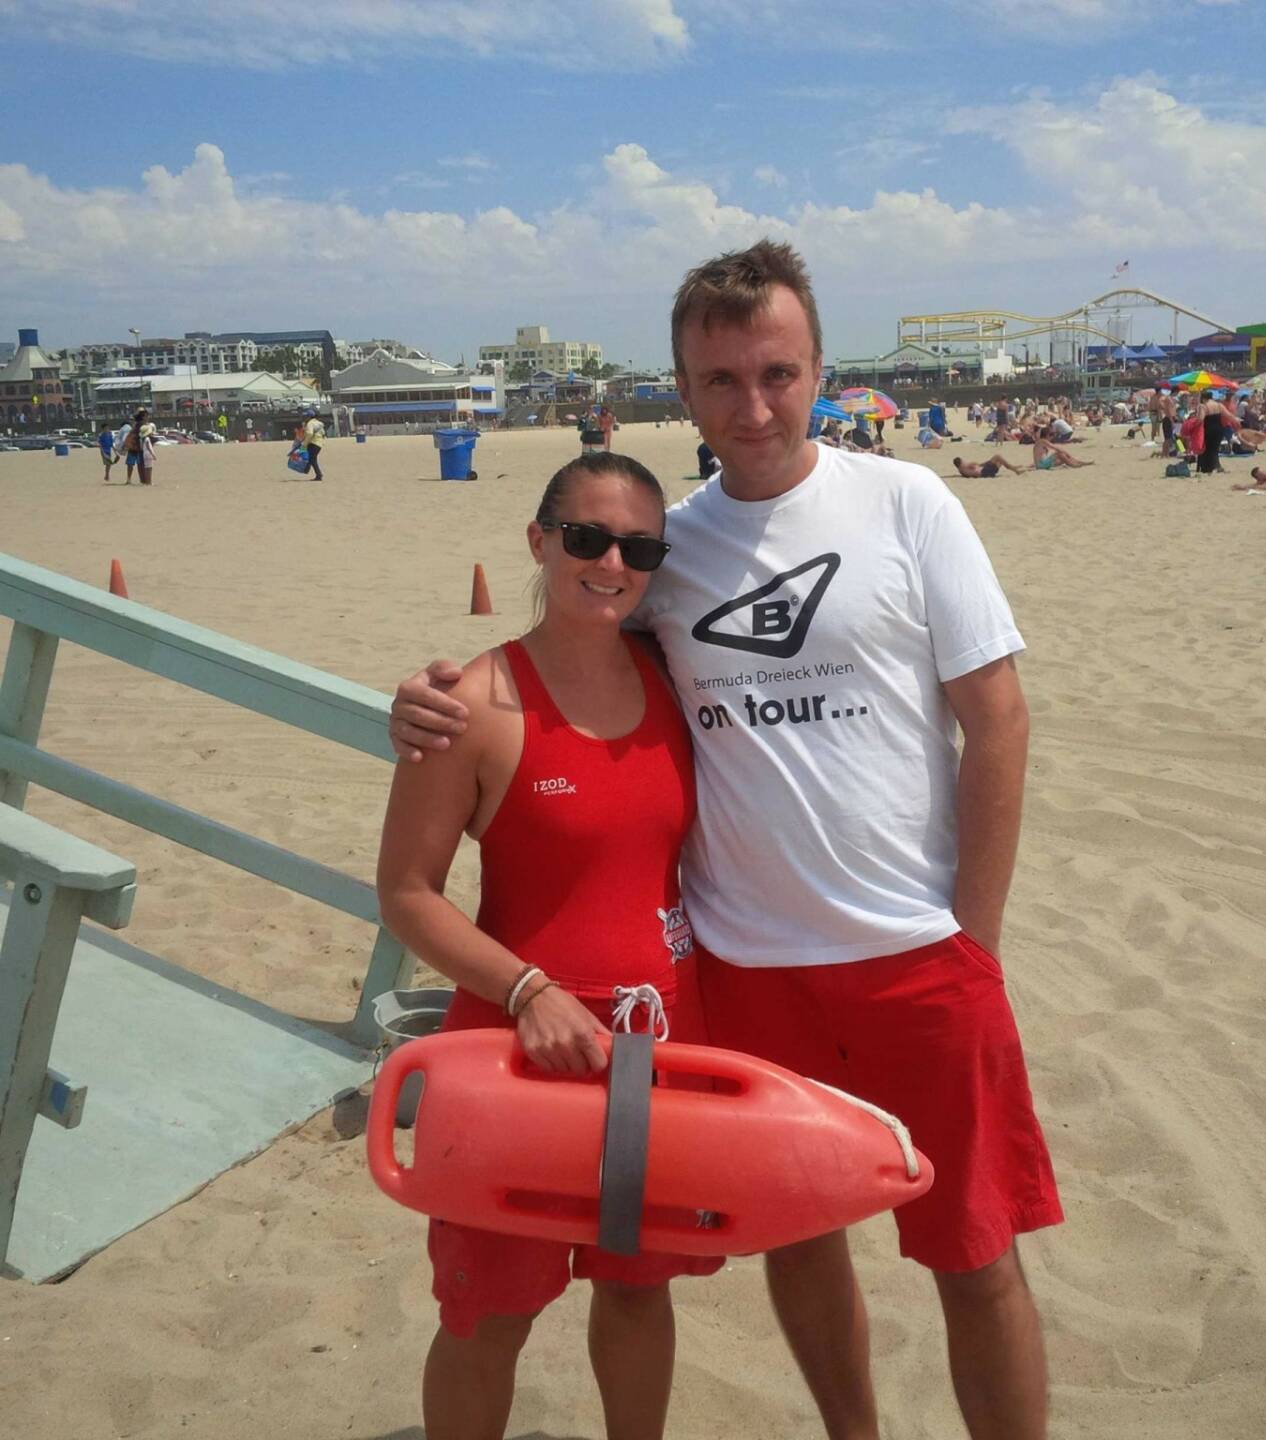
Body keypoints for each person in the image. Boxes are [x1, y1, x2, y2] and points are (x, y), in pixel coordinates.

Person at [390, 239, 1063, 1440]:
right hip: (742, 971)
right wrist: (431, 697)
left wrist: (978, 935)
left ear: (818, 370)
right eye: (720, 380)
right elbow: (563, 668)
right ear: (683, 388)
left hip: (915, 950)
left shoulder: (907, 501)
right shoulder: (673, 546)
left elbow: (997, 717)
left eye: (778, 373)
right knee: (800, 1243)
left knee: (975, 1251)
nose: (753, 405)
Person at [377, 451, 722, 1440]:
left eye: (638, 547)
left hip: (659, 1053)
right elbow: (406, 893)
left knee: (638, 1294)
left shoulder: (671, 674)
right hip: (515, 1058)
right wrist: (527, 989)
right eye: (587, 537)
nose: (611, 562)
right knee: (491, 1310)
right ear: (539, 541)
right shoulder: (474, 703)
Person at [118, 408, 156, 486]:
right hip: (137, 447)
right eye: (146, 416)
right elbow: (141, 436)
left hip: (137, 446)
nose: (148, 417)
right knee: (140, 464)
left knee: (136, 464)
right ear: (143, 417)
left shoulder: (139, 425)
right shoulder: (141, 425)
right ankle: (143, 480)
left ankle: (140, 480)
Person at [300, 408, 325, 481]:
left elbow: (309, 433)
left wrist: (304, 444)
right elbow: (323, 433)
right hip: (319, 444)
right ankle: (314, 472)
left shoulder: (310, 423)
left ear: (309, 417)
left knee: (311, 459)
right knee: (313, 458)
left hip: (313, 443)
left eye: (305, 416)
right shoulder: (318, 423)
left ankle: (318, 474)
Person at [954, 454, 1024, 478]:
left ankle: (1012, 467)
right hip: (985, 471)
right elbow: (975, 464)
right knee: (998, 456)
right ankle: (1014, 469)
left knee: (1000, 461)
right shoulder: (964, 466)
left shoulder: (961, 470)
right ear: (961, 462)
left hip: (985, 472)